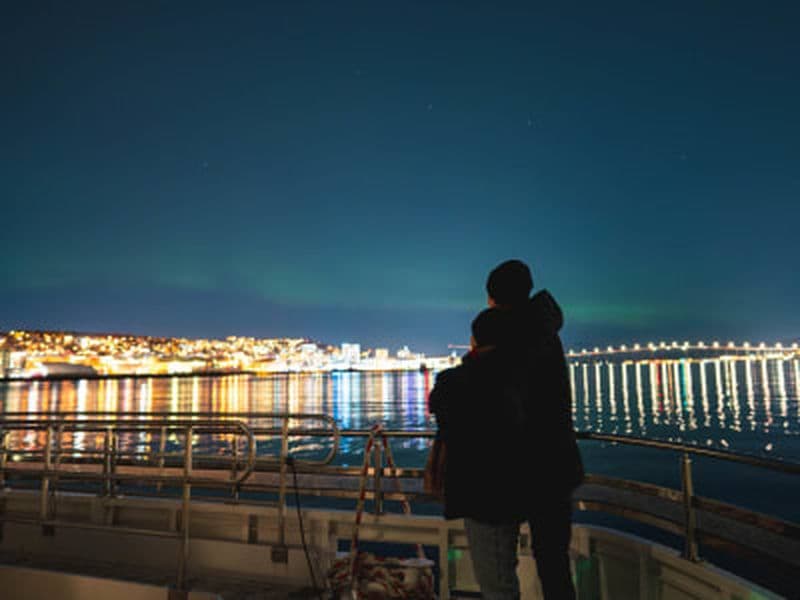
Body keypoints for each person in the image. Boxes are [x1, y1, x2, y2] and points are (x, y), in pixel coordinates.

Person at [428, 259, 583, 600]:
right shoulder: (546, 336)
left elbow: (472, 395)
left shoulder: (505, 340)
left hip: (504, 473)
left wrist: (468, 363)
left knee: (498, 576)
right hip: (554, 466)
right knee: (555, 570)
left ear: (493, 298)